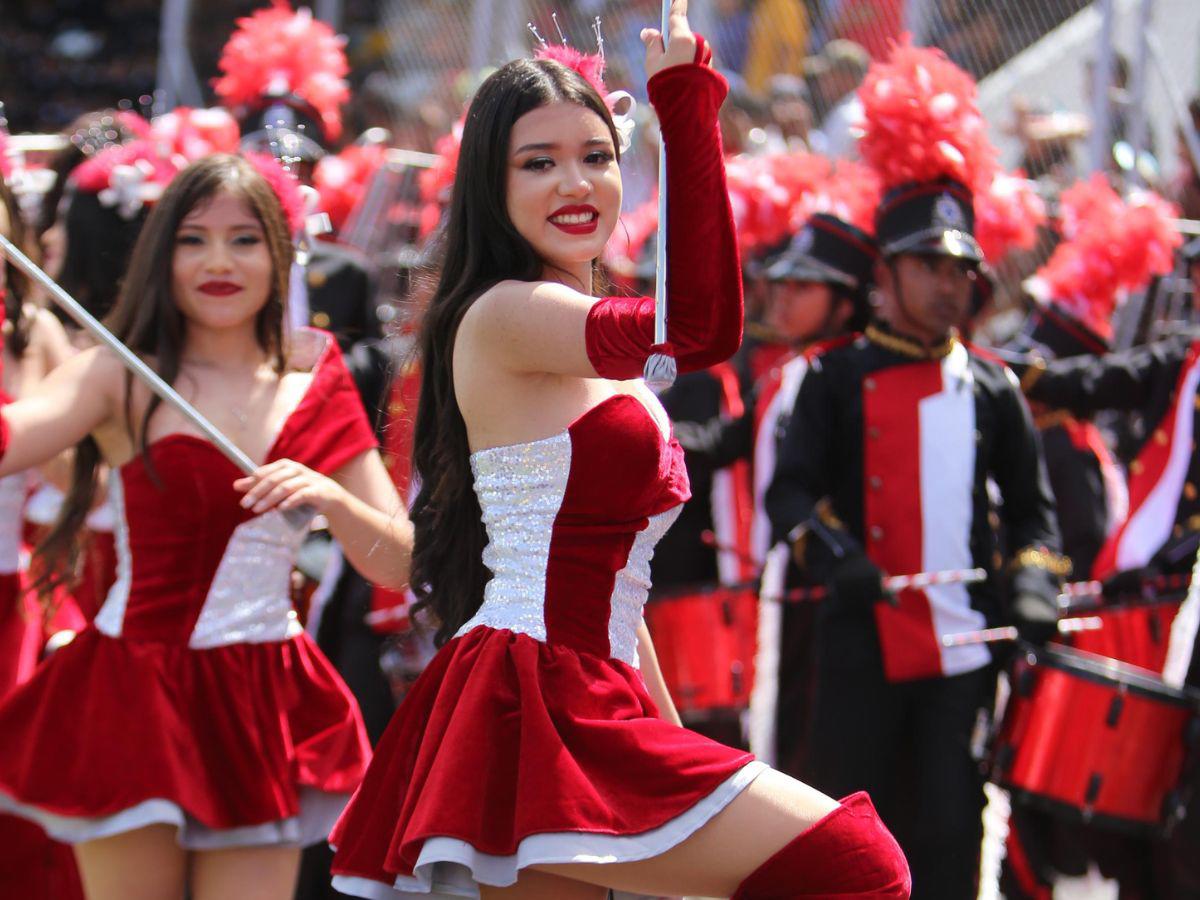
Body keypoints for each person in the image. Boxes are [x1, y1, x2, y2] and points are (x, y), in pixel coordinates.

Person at [329, 4, 909, 898]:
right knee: (860, 865)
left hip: (594, 696)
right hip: (536, 694)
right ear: (491, 185)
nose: (576, 183)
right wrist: (686, 104)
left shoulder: (573, 341)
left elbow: (611, 582)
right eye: (539, 162)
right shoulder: (510, 313)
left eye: (596, 157)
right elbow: (702, 327)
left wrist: (669, 739)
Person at [0, 153, 412, 900]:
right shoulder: (120, 372)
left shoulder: (317, 376)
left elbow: (399, 566)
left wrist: (333, 498)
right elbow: (15, 437)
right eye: (193, 239)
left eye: (244, 239)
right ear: (163, 253)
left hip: (261, 701)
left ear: (281, 254)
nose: (218, 261)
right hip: (133, 692)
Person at [766, 175, 1065, 899]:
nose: (948, 285)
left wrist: (1030, 588)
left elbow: (1034, 514)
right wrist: (839, 558)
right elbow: (791, 493)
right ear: (886, 273)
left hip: (961, 655)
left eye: (961, 269)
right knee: (849, 834)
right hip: (858, 645)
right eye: (928, 265)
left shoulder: (994, 389)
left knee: (949, 837)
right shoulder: (833, 377)